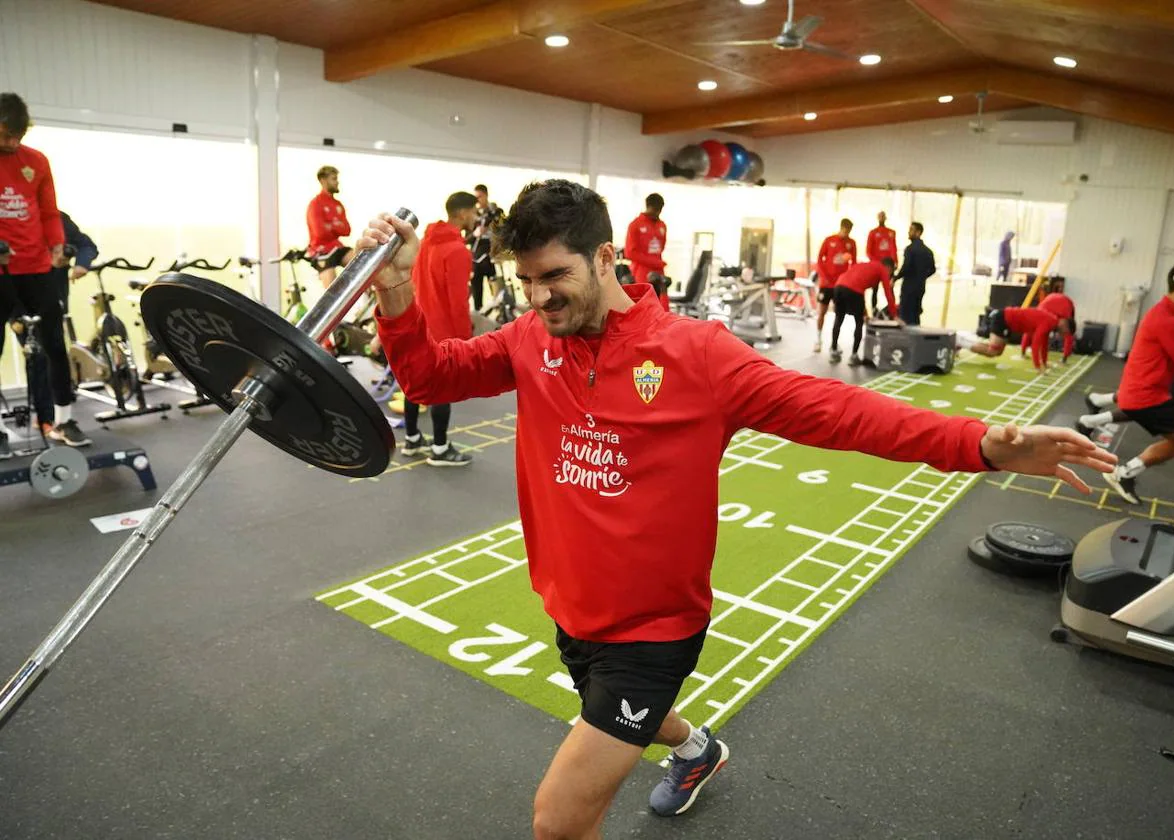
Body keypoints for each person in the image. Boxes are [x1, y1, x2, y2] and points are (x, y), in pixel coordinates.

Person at [363, 179, 1114, 839]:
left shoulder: (697, 354)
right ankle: (697, 750)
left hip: (653, 628)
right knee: (619, 729)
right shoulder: (533, 337)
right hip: (569, 605)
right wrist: (396, 291)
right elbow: (429, 377)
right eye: (526, 280)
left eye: (553, 276)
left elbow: (838, 410)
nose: (537, 297)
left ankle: (678, 744)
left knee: (558, 821)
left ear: (604, 259)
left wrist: (980, 443)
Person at [0, 92, 91, 456]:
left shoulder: (35, 161)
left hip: (36, 269)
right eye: (5, 135)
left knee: (54, 345)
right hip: (1, 270)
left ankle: (63, 419)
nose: (12, 143)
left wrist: (56, 245)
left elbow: (49, 211)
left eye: (17, 136)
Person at [1102, 262, 1174, 520]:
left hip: (1147, 395)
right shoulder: (1167, 320)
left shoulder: (1170, 315)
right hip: (1147, 398)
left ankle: (1124, 474)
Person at [398, 191, 478, 467]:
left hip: (420, 324)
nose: (476, 217)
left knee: (415, 384)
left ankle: (412, 439)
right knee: (441, 387)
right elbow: (458, 301)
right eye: (475, 212)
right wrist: (467, 340)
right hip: (444, 330)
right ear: (464, 213)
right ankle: (441, 448)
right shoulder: (457, 251)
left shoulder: (425, 244)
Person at [10, 211, 98, 435]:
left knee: (54, 353)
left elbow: (86, 245)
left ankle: (56, 421)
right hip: (17, 301)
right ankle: (45, 418)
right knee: (38, 355)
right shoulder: (11, 221)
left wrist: (82, 264)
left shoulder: (59, 219)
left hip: (51, 300)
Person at [830, 257, 897, 366]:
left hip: (838, 287)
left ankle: (833, 351)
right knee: (859, 322)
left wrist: (864, 311)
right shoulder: (882, 269)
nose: (890, 274)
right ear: (888, 267)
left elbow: (858, 285)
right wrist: (895, 315)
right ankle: (854, 356)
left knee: (838, 319)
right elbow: (888, 293)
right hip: (853, 290)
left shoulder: (866, 265)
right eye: (891, 271)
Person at [967, 305, 1059, 372]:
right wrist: (1038, 367)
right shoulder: (1047, 323)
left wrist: (1044, 363)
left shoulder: (1050, 322)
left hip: (1009, 323)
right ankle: (961, 342)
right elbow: (1035, 344)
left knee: (997, 352)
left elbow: (1042, 343)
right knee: (992, 351)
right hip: (1002, 318)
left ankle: (991, 313)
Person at [305, 165, 352, 289]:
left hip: (336, 247)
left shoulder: (338, 204)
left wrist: (329, 225)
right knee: (333, 291)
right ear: (323, 180)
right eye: (334, 179)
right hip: (320, 250)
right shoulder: (315, 204)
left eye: (337, 179)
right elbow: (320, 233)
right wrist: (337, 225)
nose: (337, 182)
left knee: (362, 264)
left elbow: (347, 230)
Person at [814, 218, 857, 352]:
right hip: (826, 284)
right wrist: (824, 276)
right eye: (845, 230)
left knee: (839, 314)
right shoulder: (829, 240)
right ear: (841, 227)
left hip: (840, 285)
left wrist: (849, 279)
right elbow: (820, 259)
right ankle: (818, 339)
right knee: (822, 311)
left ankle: (834, 343)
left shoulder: (851, 243)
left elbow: (853, 263)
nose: (846, 233)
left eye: (849, 231)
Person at [624, 193, 669, 310]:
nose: (657, 213)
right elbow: (629, 253)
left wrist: (657, 264)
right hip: (641, 272)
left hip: (659, 271)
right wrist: (652, 262)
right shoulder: (635, 225)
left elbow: (661, 247)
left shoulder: (662, 225)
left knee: (661, 308)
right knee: (642, 308)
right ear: (648, 206)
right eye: (655, 209)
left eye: (660, 210)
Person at [469, 184, 504, 311]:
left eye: (480, 196)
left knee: (498, 291)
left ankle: (501, 313)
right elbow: (466, 238)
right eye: (475, 197)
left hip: (492, 254)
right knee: (476, 289)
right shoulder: (473, 215)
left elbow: (503, 230)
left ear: (486, 195)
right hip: (476, 257)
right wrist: (475, 233)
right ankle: (479, 313)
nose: (477, 200)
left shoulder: (496, 211)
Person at [895, 222, 935, 326]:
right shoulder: (928, 251)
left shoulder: (910, 249)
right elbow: (932, 269)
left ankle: (907, 341)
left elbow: (906, 267)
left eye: (912, 230)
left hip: (909, 287)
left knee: (905, 315)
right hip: (920, 286)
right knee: (915, 314)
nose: (909, 232)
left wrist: (895, 278)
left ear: (918, 232)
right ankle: (917, 339)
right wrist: (922, 276)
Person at [1020, 291, 1075, 365]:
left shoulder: (1047, 315)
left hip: (1054, 301)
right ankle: (1064, 359)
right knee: (1067, 331)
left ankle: (1023, 352)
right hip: (1055, 302)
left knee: (1068, 330)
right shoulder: (1046, 316)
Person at [865, 211, 897, 314]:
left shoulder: (891, 232)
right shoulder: (873, 232)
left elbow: (893, 248)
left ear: (885, 218)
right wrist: (875, 263)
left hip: (888, 266)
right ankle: (874, 308)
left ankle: (892, 309)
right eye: (880, 216)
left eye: (883, 216)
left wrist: (894, 262)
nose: (882, 218)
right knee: (875, 288)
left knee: (889, 287)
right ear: (877, 218)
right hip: (877, 265)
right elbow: (868, 251)